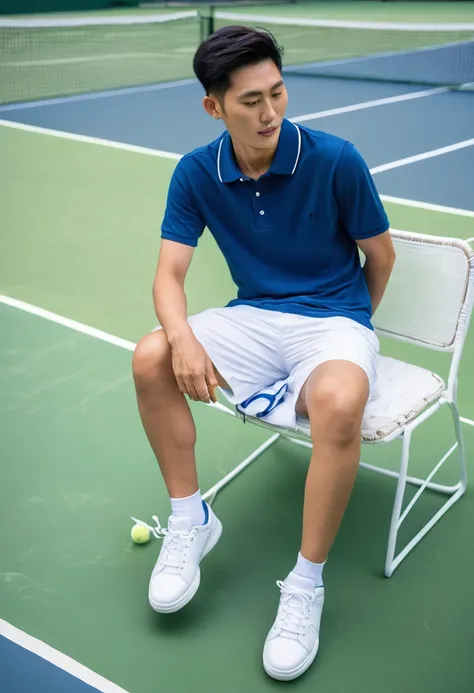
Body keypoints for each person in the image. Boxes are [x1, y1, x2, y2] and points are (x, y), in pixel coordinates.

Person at [132, 24, 396, 682]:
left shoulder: (336, 159)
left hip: (333, 319)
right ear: (214, 107)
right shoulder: (197, 172)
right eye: (251, 101)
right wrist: (185, 339)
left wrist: (350, 326)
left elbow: (380, 256)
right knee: (150, 355)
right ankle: (191, 519)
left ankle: (305, 584)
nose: (270, 112)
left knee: (338, 400)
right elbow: (168, 276)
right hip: (253, 318)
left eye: (278, 92)